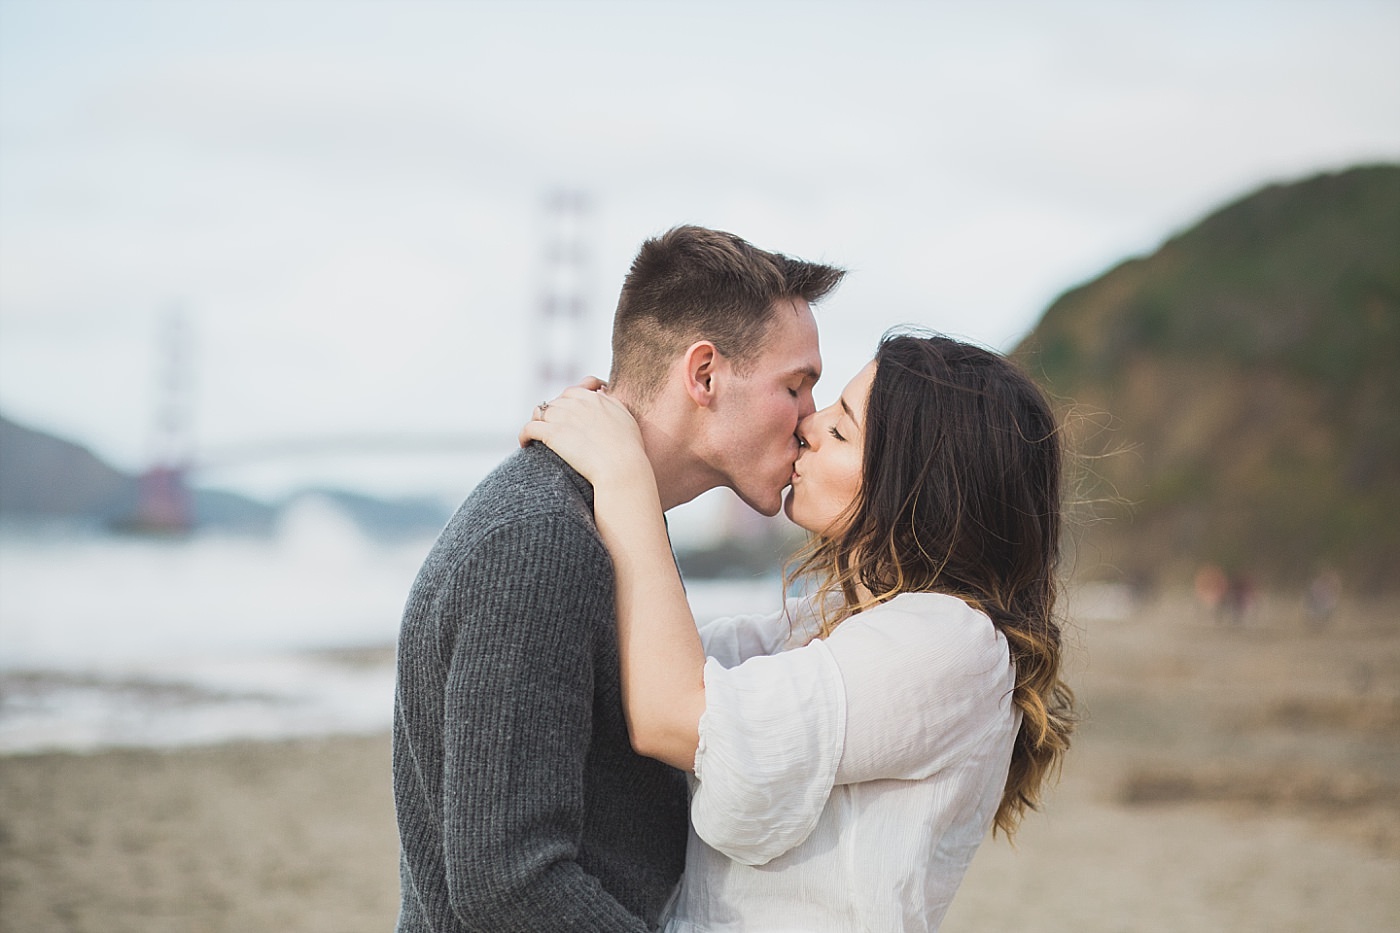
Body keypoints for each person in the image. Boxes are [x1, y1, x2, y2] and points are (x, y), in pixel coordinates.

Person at [522, 332, 1077, 931]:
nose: (808, 425)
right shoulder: (827, 623)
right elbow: (648, 666)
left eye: (842, 430)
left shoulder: (953, 644)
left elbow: (677, 715)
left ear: (917, 488)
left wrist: (625, 475)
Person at [392, 225, 845, 932]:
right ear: (704, 375)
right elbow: (506, 885)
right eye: (796, 386)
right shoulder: (540, 539)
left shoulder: (608, 519)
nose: (811, 421)